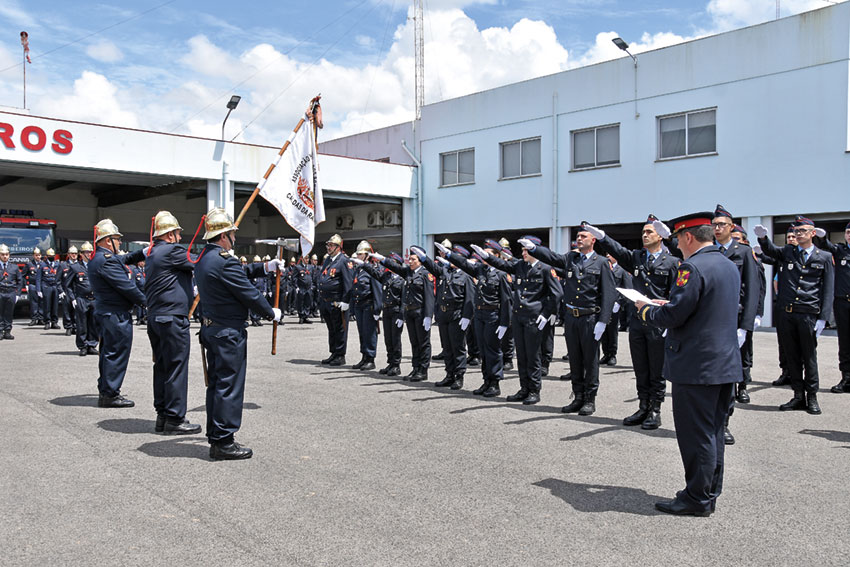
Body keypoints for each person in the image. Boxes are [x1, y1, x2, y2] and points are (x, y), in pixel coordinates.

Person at [634, 212, 742, 517]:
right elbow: (702, 307)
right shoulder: (726, 264)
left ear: (689, 237)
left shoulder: (691, 267)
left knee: (696, 436)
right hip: (723, 363)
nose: (678, 246)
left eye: (678, 240)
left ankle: (696, 498)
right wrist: (668, 306)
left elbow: (675, 316)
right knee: (713, 433)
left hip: (696, 365)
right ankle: (707, 493)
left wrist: (645, 311)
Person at [195, 208, 282, 460]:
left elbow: (237, 275)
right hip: (227, 332)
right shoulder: (223, 260)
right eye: (232, 233)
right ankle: (224, 441)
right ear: (224, 236)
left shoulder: (206, 258)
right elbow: (248, 292)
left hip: (213, 329)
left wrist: (265, 267)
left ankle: (216, 435)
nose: (234, 237)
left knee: (217, 385)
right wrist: (270, 312)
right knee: (229, 386)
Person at [586, 216, 679, 428]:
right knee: (641, 368)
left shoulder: (672, 261)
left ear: (660, 236)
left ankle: (655, 409)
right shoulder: (637, 257)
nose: (645, 235)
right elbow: (618, 250)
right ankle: (643, 405)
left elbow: (675, 293)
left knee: (656, 369)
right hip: (638, 321)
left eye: (650, 232)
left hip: (658, 322)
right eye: (643, 232)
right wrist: (603, 237)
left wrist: (670, 321)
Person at [522, 229, 616, 416]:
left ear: (593, 240)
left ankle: (590, 399)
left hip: (590, 317)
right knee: (575, 358)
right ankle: (578, 396)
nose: (579, 239)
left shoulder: (602, 263)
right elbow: (553, 257)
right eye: (578, 237)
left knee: (590, 360)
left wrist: (603, 321)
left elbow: (609, 293)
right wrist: (534, 249)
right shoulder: (571, 258)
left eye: (583, 236)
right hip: (572, 318)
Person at [469, 236, 562, 405]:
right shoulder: (520, 265)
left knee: (533, 355)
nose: (523, 253)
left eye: (527, 250)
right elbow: (503, 265)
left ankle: (534, 389)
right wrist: (487, 257)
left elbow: (557, 294)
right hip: (519, 316)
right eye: (523, 250)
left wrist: (547, 313)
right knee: (522, 355)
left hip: (534, 317)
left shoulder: (546, 268)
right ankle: (524, 388)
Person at [755, 217, 834, 414]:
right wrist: (763, 239)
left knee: (809, 357)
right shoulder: (788, 251)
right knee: (792, 357)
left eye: (803, 231)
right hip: (786, 313)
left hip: (808, 313)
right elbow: (771, 251)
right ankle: (798, 395)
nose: (799, 234)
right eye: (796, 231)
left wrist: (824, 317)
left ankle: (812, 396)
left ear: (812, 233)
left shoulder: (824, 256)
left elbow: (828, 288)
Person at [144, 211, 204, 435]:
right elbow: (197, 260)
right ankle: (175, 418)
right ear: (169, 235)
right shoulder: (172, 251)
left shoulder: (153, 253)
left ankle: (163, 414)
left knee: (162, 367)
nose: (180, 238)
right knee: (176, 368)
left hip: (157, 317)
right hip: (172, 319)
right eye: (178, 234)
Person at [88, 220, 147, 408]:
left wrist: (144, 252)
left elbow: (124, 259)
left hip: (108, 313)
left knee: (108, 352)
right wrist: (148, 303)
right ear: (107, 241)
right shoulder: (106, 261)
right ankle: (110, 394)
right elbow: (127, 287)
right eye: (117, 239)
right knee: (116, 353)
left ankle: (106, 389)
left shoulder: (102, 258)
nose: (120, 243)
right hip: (115, 314)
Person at [443, 242, 511, 396]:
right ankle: (486, 381)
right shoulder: (481, 270)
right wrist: (448, 255)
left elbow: (507, 300)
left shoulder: (501, 274)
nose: (484, 256)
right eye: (483, 253)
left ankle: (495, 383)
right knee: (483, 350)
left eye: (489, 253)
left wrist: (505, 323)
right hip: (479, 315)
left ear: (497, 256)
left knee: (493, 350)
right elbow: (463, 264)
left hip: (493, 315)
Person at [371, 248, 436, 382]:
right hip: (410, 312)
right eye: (409, 259)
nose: (410, 262)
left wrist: (428, 315)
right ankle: (416, 367)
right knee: (414, 342)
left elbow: (429, 296)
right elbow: (394, 266)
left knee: (423, 342)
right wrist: (382, 259)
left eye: (413, 259)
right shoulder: (408, 272)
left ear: (420, 261)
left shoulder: (425, 274)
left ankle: (423, 370)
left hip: (420, 312)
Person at [418, 243, 474, 390]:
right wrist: (423, 258)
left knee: (458, 348)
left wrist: (467, 316)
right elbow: (432, 267)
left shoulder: (466, 275)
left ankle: (459, 376)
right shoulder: (444, 272)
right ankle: (449, 375)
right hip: (444, 315)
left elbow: (470, 298)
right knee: (447, 347)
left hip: (457, 315)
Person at [815, 221, 850, 393]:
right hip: (843, 302)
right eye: (848, 232)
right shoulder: (840, 250)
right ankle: (846, 378)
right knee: (844, 342)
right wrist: (822, 237)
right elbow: (826, 246)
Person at [360, 252, 405, 376]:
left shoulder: (402, 279)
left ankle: (396, 365)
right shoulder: (387, 276)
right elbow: (375, 274)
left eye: (393, 263)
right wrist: (364, 265)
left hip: (396, 311)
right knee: (388, 339)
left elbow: (404, 299)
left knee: (395, 339)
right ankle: (390, 363)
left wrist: (402, 315)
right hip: (387, 311)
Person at [317, 234, 353, 366]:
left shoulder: (344, 260)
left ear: (338, 247)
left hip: (337, 301)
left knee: (340, 328)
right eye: (328, 245)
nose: (328, 247)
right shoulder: (328, 260)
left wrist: (346, 301)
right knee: (331, 329)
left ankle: (340, 355)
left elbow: (348, 282)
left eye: (331, 245)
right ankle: (333, 352)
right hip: (326, 300)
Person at [349, 240, 382, 371]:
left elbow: (377, 290)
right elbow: (354, 288)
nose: (358, 256)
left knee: (370, 333)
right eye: (357, 254)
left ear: (367, 256)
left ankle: (370, 358)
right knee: (362, 333)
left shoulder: (372, 269)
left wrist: (377, 309)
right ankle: (364, 357)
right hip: (359, 305)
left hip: (369, 305)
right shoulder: (358, 269)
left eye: (361, 254)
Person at [63, 242, 99, 356]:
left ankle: (92, 344)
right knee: (82, 324)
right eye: (86, 252)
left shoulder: (95, 266)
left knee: (93, 323)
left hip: (94, 299)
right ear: (81, 254)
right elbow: (67, 285)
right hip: (82, 298)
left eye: (90, 252)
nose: (88, 254)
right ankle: (82, 346)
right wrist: (72, 298)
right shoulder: (75, 267)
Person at [601, 254, 629, 366]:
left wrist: (620, 302)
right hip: (603, 304)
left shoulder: (621, 270)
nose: (607, 256)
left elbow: (628, 288)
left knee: (612, 331)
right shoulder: (603, 268)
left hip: (614, 305)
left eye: (610, 254)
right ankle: (606, 353)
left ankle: (612, 354)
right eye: (606, 254)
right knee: (603, 330)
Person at [0, 243, 23, 339]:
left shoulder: (14, 267)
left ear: (9, 255)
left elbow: (20, 281)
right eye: (2, 254)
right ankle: (0, 331)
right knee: (0, 312)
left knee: (9, 313)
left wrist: (17, 294)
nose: (5, 256)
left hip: (11, 292)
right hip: (0, 291)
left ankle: (8, 331)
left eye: (6, 254)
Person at [37, 247, 61, 330]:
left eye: (53, 255)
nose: (52, 257)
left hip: (55, 286)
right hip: (46, 286)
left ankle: (54, 322)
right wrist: (39, 290)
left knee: (55, 305)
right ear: (46, 256)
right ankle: (47, 322)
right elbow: (38, 278)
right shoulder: (42, 265)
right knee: (46, 305)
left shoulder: (58, 264)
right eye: (50, 256)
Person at [60, 247, 77, 336]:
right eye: (72, 253)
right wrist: (60, 291)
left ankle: (75, 326)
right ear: (68, 254)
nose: (74, 255)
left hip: (76, 291)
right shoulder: (63, 265)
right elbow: (58, 280)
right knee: (67, 310)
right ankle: (68, 327)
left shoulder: (79, 265)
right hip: (66, 291)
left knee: (76, 310)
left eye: (75, 253)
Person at [26, 247, 44, 326]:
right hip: (32, 285)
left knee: (42, 302)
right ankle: (34, 318)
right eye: (36, 255)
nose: (38, 257)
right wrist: (26, 284)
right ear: (33, 256)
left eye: (39, 255)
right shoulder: (29, 264)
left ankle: (41, 318)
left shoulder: (44, 264)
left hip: (41, 285)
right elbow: (23, 275)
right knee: (33, 303)